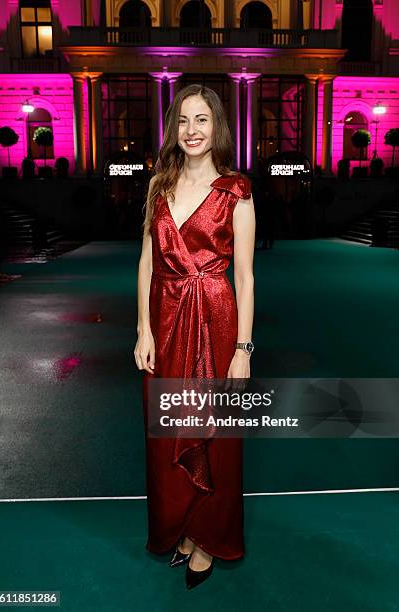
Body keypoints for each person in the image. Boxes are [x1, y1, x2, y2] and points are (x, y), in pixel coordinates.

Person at [134, 84, 255, 590]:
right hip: (164, 319)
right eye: (184, 121)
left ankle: (208, 537)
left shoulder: (236, 190)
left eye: (202, 120)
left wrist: (243, 348)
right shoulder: (159, 185)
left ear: (217, 126)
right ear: (173, 128)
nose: (192, 131)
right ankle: (181, 527)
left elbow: (245, 277)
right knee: (167, 433)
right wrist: (142, 327)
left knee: (216, 436)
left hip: (217, 321)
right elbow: (145, 261)